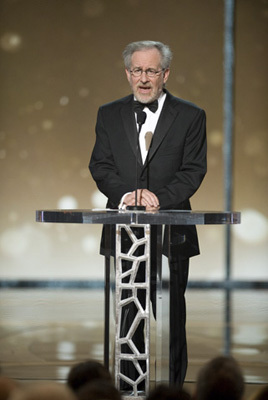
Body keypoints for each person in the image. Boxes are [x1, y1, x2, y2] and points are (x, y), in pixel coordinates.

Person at [89, 40, 207, 388]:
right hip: (125, 229)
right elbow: (101, 165)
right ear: (128, 74)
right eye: (137, 70)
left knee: (172, 312)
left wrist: (160, 198)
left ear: (165, 74)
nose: (143, 79)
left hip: (173, 228)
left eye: (151, 71)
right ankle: (129, 385)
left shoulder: (190, 115)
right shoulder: (108, 114)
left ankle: (172, 388)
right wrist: (125, 194)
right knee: (129, 309)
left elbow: (193, 170)